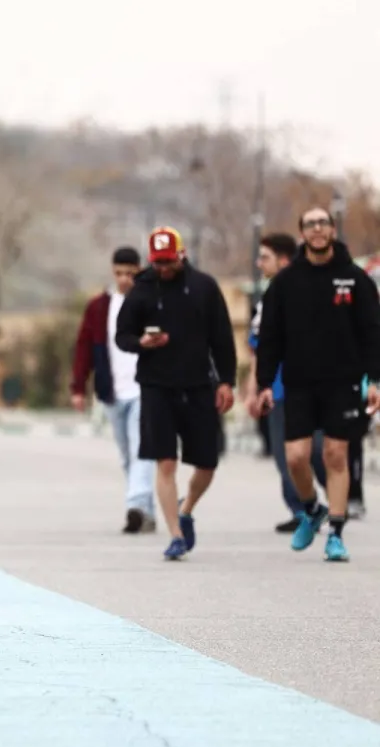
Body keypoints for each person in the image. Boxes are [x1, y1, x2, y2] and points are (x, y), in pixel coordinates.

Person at [253, 208, 380, 563]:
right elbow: (270, 338)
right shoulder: (286, 282)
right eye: (310, 224)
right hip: (299, 383)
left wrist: (375, 380)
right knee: (296, 457)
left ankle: (336, 534)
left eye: (323, 223)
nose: (318, 229)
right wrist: (264, 383)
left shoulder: (355, 279)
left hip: (343, 382)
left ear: (332, 229)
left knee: (335, 455)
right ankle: (312, 509)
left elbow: (372, 333)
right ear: (302, 233)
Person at [114, 226, 236, 561]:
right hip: (156, 387)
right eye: (158, 263)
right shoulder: (142, 289)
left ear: (181, 255)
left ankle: (188, 506)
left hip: (198, 384)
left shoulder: (204, 287)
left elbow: (222, 338)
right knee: (165, 462)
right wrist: (142, 342)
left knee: (207, 463)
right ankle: (176, 536)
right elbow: (122, 335)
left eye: (169, 262)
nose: (163, 269)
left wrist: (226, 381)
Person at [243, 233, 326, 534]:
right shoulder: (268, 298)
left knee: (317, 450)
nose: (258, 262)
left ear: (284, 260)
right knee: (284, 455)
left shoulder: (311, 292)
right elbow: (258, 347)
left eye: (264, 257)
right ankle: (303, 511)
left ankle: (335, 500)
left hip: (309, 386)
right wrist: (253, 389)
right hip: (276, 389)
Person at [70, 247, 157, 533]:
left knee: (141, 450)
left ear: (139, 271)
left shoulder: (150, 301)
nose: (124, 279)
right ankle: (146, 512)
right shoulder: (99, 307)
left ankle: (134, 505)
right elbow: (85, 346)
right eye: (119, 273)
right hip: (111, 391)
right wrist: (78, 387)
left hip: (144, 388)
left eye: (130, 273)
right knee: (126, 455)